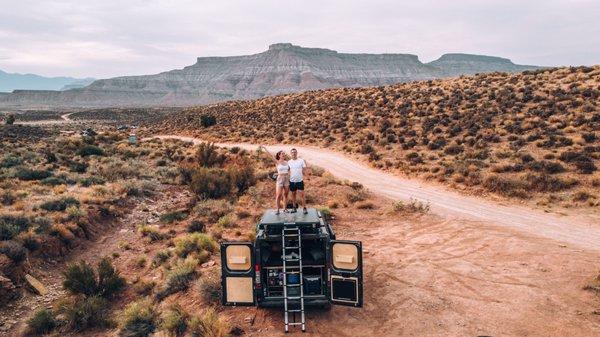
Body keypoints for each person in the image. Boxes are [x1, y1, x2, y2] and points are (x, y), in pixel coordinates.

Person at [260, 146, 290, 214]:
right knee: (278, 195)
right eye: (282, 153)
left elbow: (289, 170)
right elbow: (270, 156)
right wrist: (265, 148)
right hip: (280, 179)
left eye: (284, 154)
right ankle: (278, 209)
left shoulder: (287, 162)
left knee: (286, 194)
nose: (284, 154)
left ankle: (285, 208)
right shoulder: (277, 162)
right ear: (279, 155)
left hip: (286, 179)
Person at [288, 148, 309, 214]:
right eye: (292, 152)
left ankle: (304, 208)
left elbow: (305, 169)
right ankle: (294, 208)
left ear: (297, 153)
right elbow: (286, 170)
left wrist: (307, 176)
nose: (294, 153)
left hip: (299, 181)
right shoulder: (289, 162)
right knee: (293, 195)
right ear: (291, 154)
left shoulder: (301, 161)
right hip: (292, 181)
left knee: (302, 195)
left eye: (295, 152)